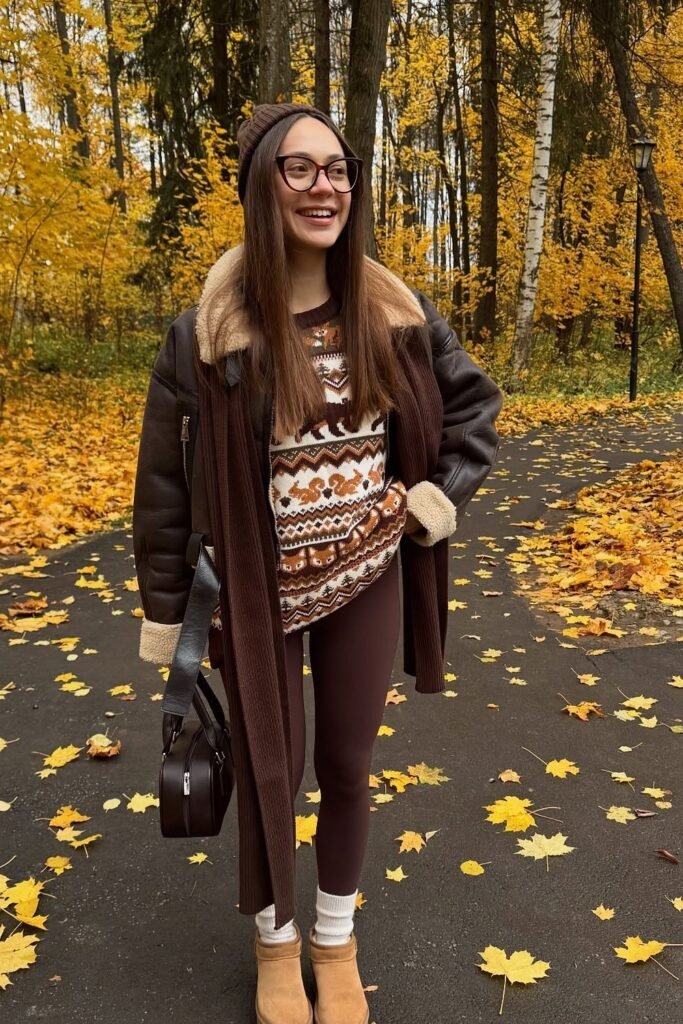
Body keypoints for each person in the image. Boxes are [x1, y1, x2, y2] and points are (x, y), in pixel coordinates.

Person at [133, 102, 503, 1024]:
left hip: (366, 576)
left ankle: (333, 941)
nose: (322, 185)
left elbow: (474, 412)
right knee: (270, 771)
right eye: (298, 170)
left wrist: (431, 499)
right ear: (263, 188)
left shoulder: (395, 314)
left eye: (336, 168)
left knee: (345, 766)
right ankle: (274, 946)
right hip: (252, 592)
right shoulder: (207, 334)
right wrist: (166, 607)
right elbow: (165, 489)